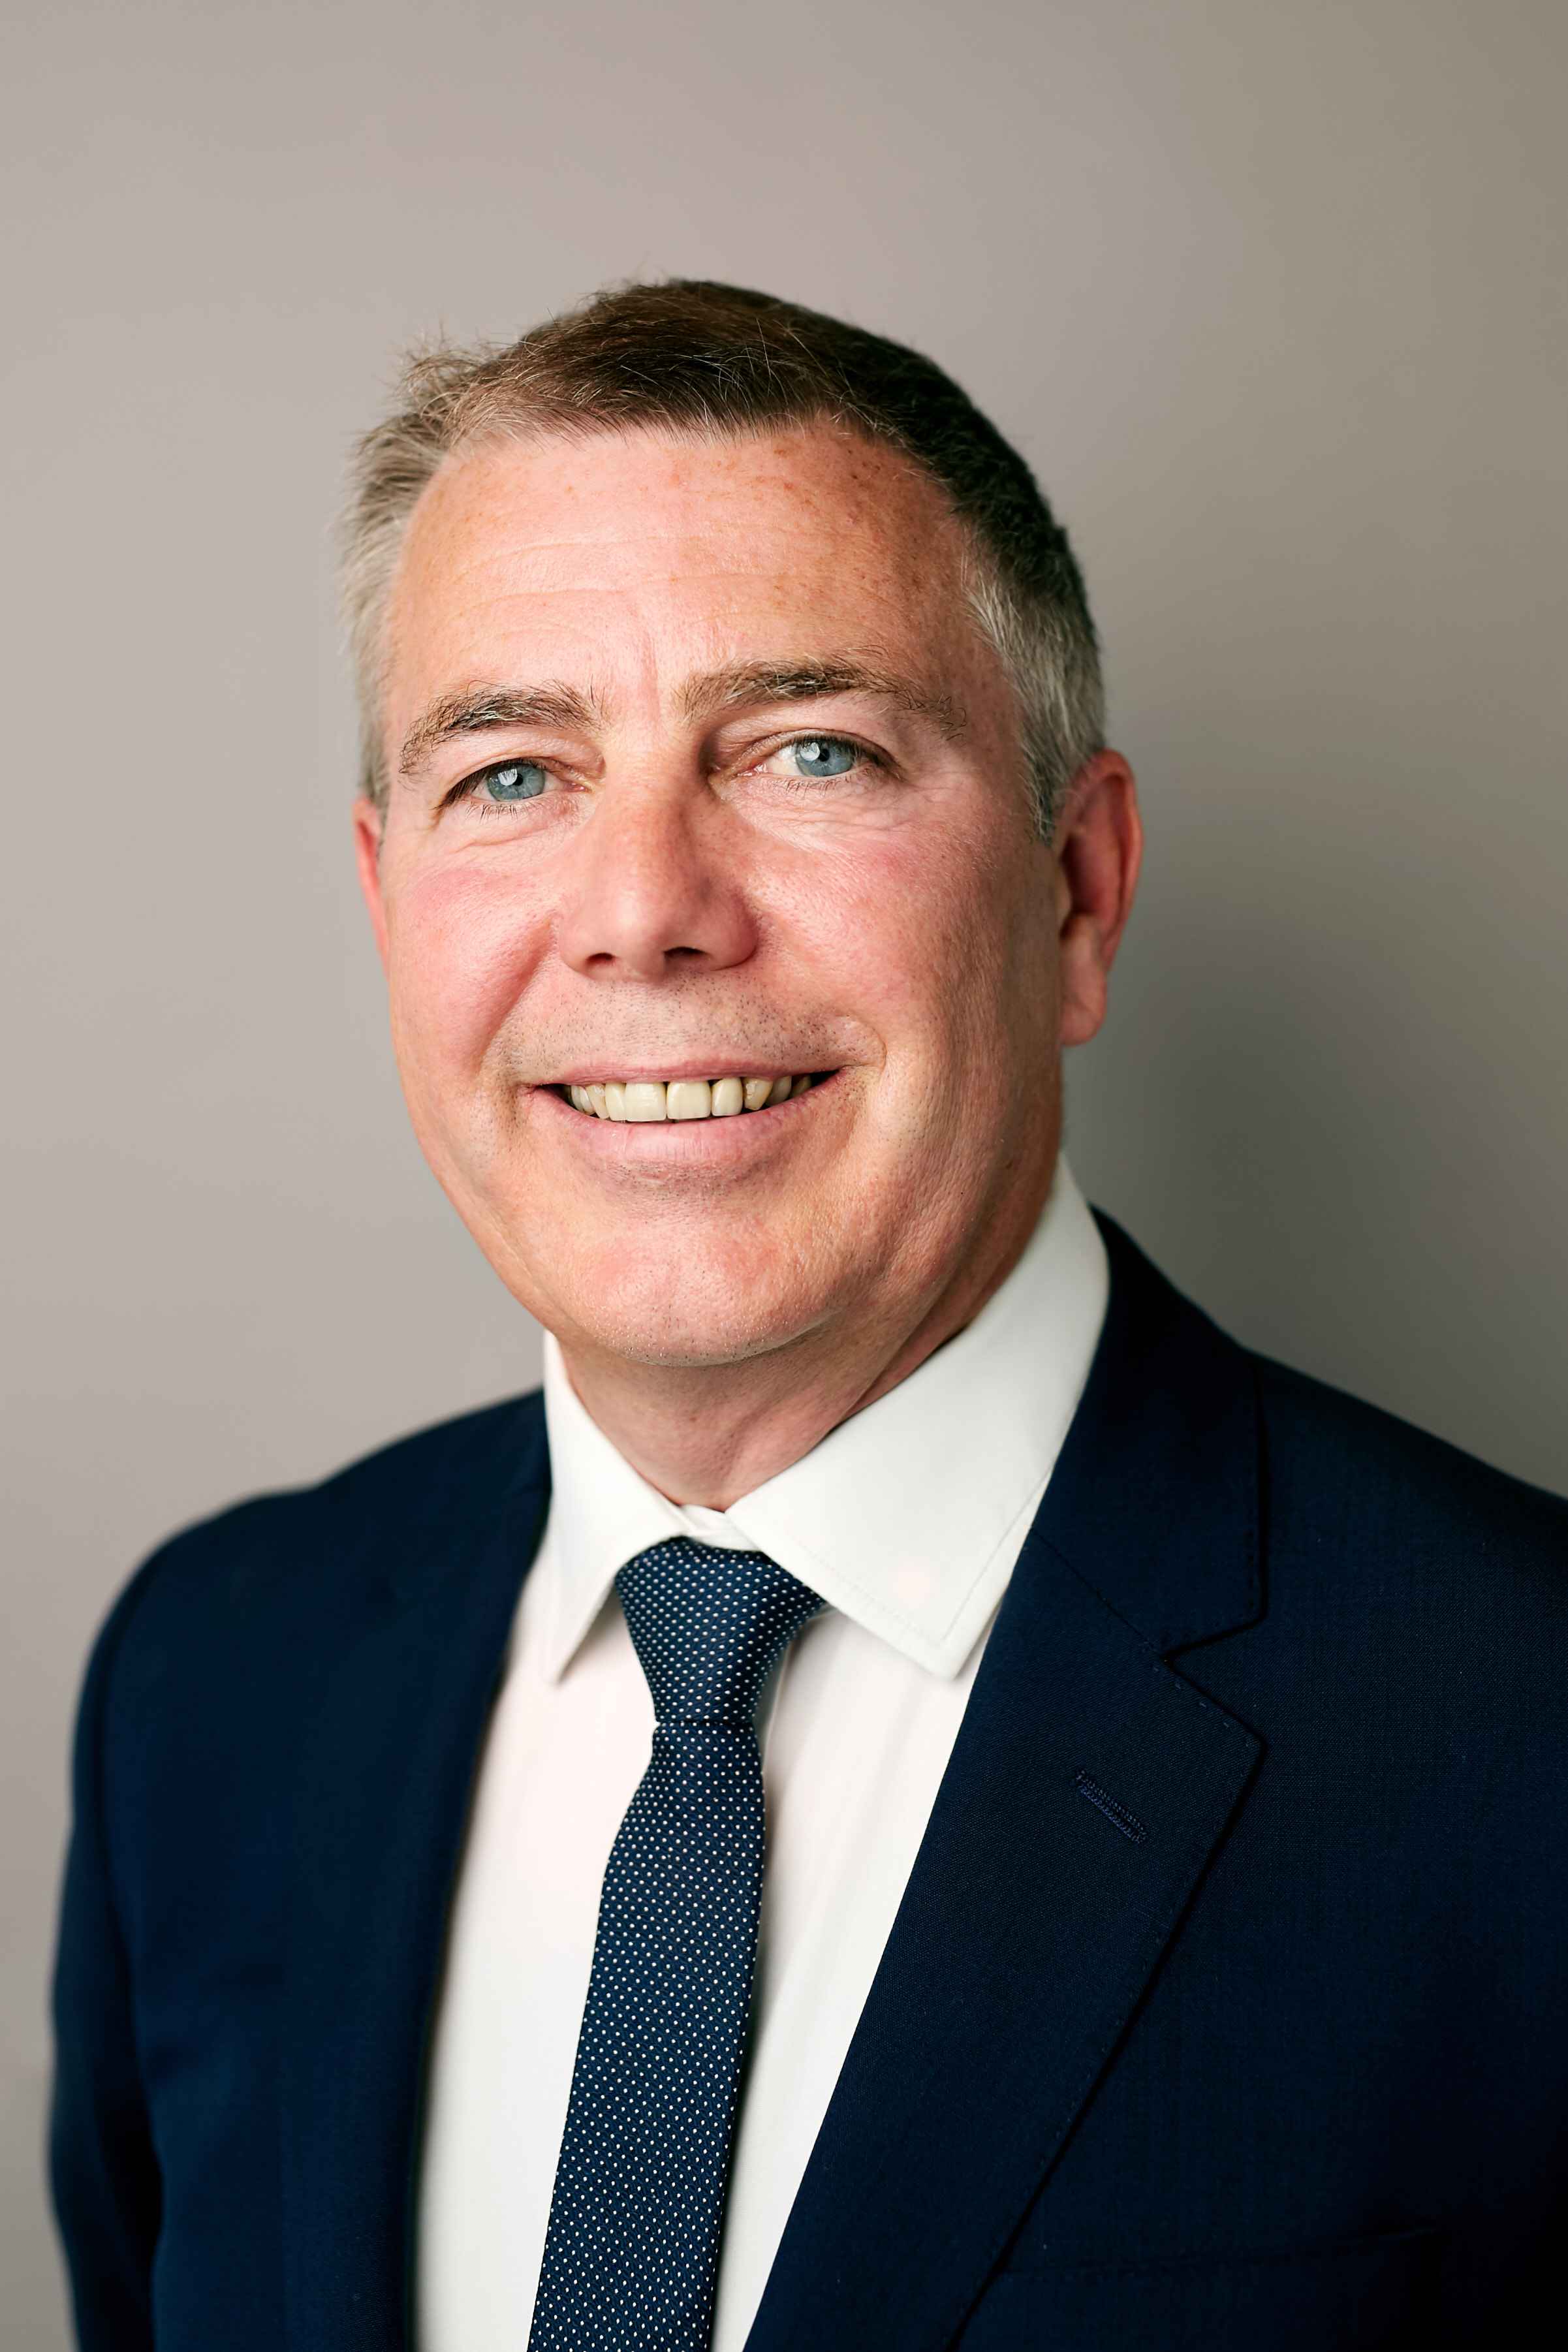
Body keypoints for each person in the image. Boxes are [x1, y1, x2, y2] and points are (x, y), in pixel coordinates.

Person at [49, 279, 1567, 2352]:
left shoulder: (1519, 1732)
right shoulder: (208, 1685)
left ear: (1075, 888)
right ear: (387, 898)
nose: (644, 909)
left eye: (810, 749)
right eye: (514, 771)